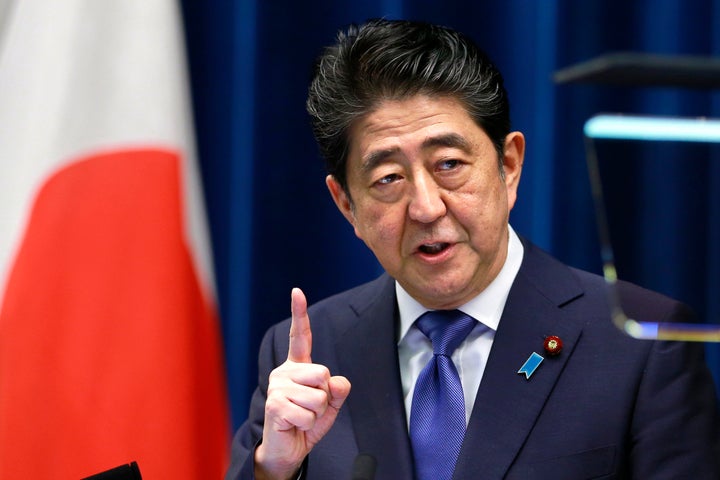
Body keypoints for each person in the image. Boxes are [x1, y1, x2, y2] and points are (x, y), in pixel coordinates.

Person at [226, 19, 720, 480]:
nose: (424, 207)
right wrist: (274, 471)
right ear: (347, 205)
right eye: (389, 178)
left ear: (508, 166)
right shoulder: (309, 354)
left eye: (448, 165)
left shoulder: (643, 343)